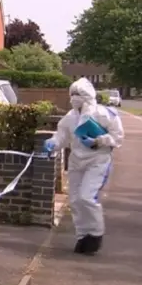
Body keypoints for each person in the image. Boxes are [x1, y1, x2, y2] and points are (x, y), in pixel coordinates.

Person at [44, 78, 124, 255]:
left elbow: (117, 137)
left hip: (98, 160)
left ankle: (95, 234)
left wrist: (98, 140)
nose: (74, 98)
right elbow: (61, 137)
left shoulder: (104, 114)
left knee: (87, 197)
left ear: (87, 96)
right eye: (72, 94)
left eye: (78, 94)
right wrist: (52, 143)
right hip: (76, 161)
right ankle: (82, 236)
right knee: (75, 200)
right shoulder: (70, 118)